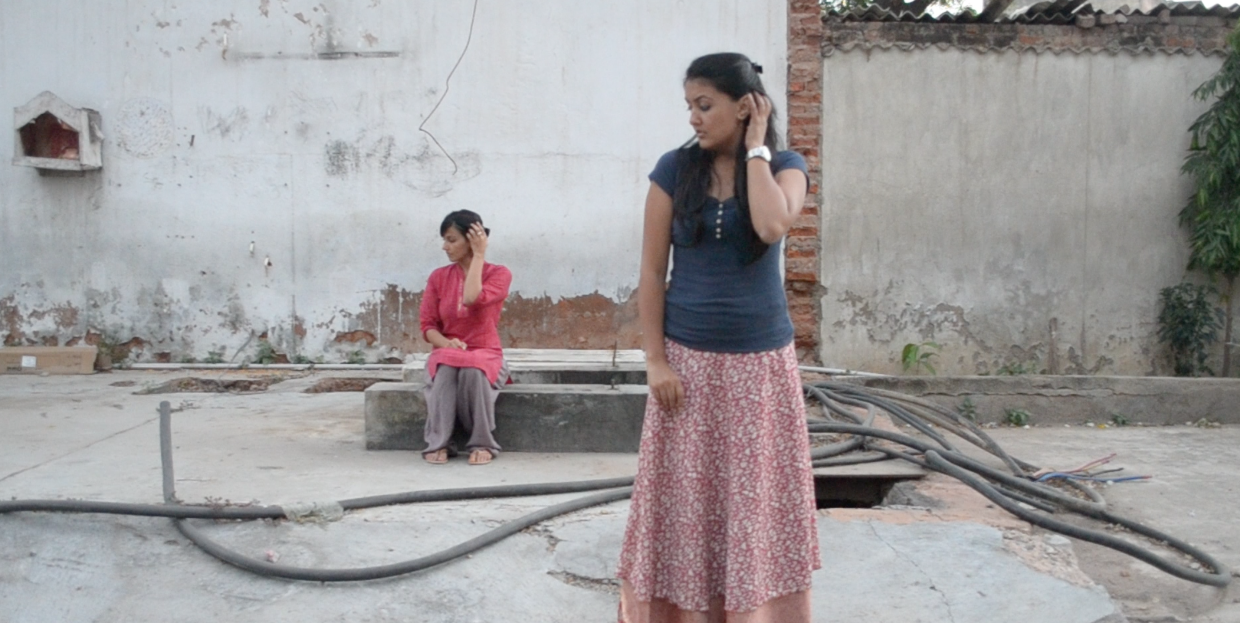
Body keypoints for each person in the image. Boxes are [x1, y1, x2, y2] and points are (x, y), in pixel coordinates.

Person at [616, 53, 819, 622]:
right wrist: (656, 361)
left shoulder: (786, 167)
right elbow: (651, 272)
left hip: (761, 370)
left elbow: (772, 226)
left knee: (755, 504)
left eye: (705, 105)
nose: (694, 118)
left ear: (746, 107)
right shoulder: (674, 170)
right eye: (690, 106)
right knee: (684, 505)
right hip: (687, 366)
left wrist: (756, 148)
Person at [418, 210, 512, 466]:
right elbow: (428, 327)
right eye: (444, 240)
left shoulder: (499, 274)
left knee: (473, 370)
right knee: (446, 367)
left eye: (451, 240)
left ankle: (482, 443)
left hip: (486, 352)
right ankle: (440, 442)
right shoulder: (438, 277)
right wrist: (447, 343)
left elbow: (472, 298)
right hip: (447, 351)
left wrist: (478, 256)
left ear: (471, 241)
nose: (445, 247)